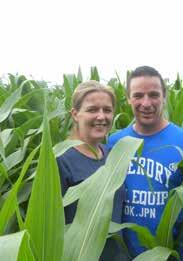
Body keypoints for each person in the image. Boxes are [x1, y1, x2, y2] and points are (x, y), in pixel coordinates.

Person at [106, 66, 183, 260]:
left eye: (154, 95)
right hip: (125, 255)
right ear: (128, 98)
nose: (146, 103)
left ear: (164, 96)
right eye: (138, 95)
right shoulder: (114, 143)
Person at [57, 80, 128, 260]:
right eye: (92, 110)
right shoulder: (60, 160)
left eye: (107, 110)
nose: (101, 116)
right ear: (75, 114)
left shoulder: (116, 155)